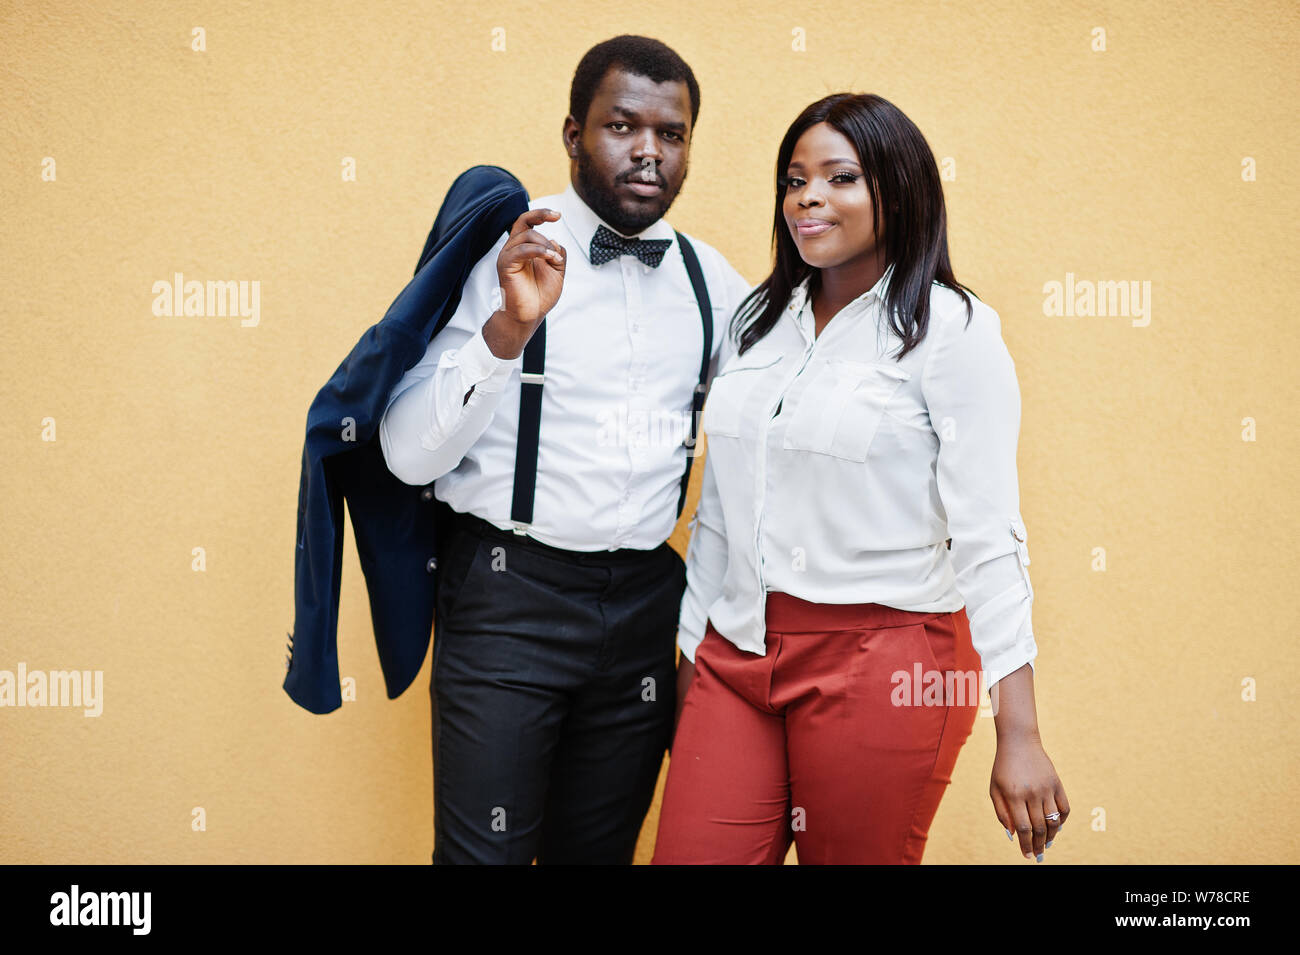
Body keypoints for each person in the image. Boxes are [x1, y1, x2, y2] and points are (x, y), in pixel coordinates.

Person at [652, 93, 1069, 865]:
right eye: (794, 178)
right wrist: (692, 667)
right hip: (736, 653)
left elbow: (990, 535)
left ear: (899, 189)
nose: (807, 196)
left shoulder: (952, 331)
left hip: (884, 663)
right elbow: (718, 511)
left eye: (840, 177)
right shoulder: (756, 320)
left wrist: (1019, 730)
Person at [379, 35, 752, 864]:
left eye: (672, 133)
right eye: (622, 126)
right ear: (572, 134)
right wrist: (506, 331)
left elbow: (773, 429)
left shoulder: (712, 282)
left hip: (647, 608)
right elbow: (406, 457)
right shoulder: (498, 256)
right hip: (510, 600)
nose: (649, 151)